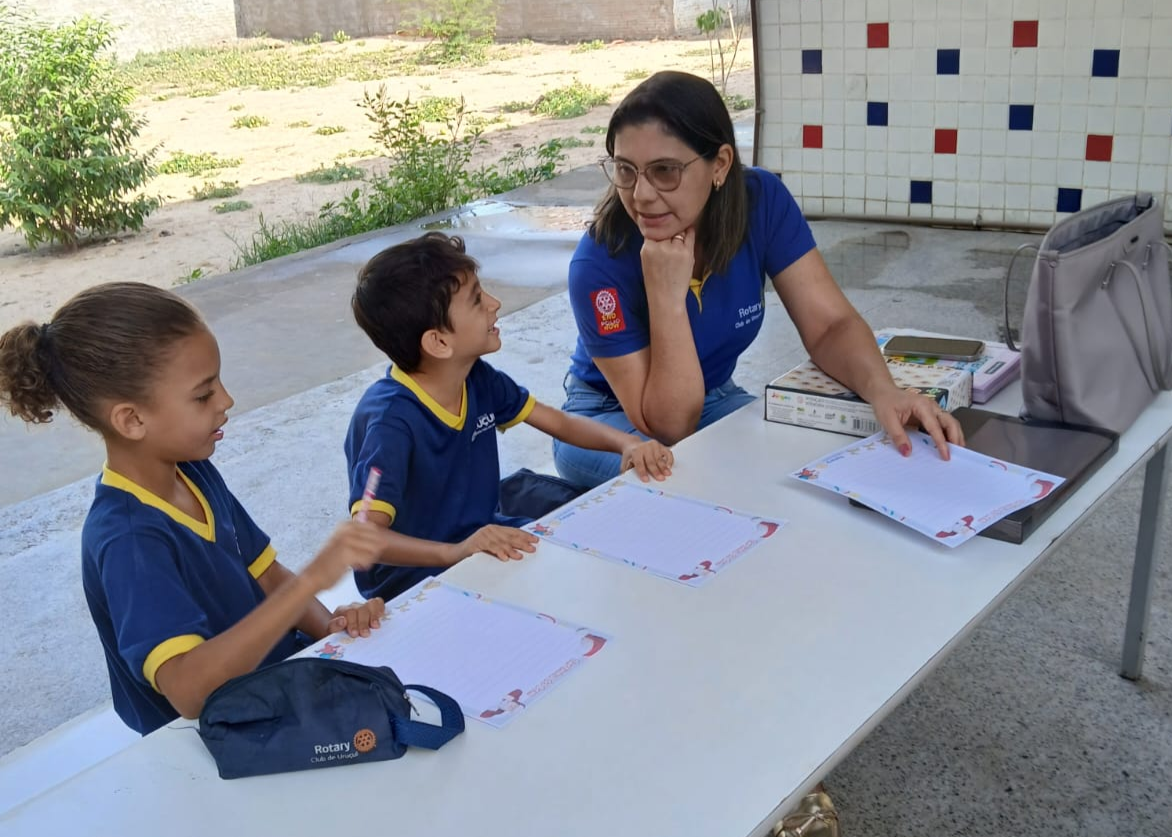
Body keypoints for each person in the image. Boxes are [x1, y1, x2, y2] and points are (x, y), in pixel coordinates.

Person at [0, 283, 392, 736]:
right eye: (204, 395)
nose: (227, 401)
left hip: (274, 689)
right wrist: (313, 579)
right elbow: (188, 691)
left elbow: (265, 575)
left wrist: (331, 629)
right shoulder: (129, 539)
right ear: (132, 420)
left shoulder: (193, 471)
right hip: (212, 741)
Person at [553, 70, 964, 489]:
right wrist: (666, 297)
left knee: (801, 466)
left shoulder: (759, 201)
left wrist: (884, 392)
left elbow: (829, 325)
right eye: (626, 170)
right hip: (609, 419)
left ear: (720, 164)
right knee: (692, 480)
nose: (640, 195)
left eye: (664, 171)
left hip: (714, 395)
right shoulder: (599, 264)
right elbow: (670, 426)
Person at [346, 232, 674, 602]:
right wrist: (455, 552)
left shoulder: (478, 379)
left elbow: (558, 422)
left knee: (601, 554)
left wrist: (626, 442)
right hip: (414, 581)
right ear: (438, 342)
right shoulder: (390, 423)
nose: (495, 304)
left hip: (480, 538)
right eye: (476, 300)